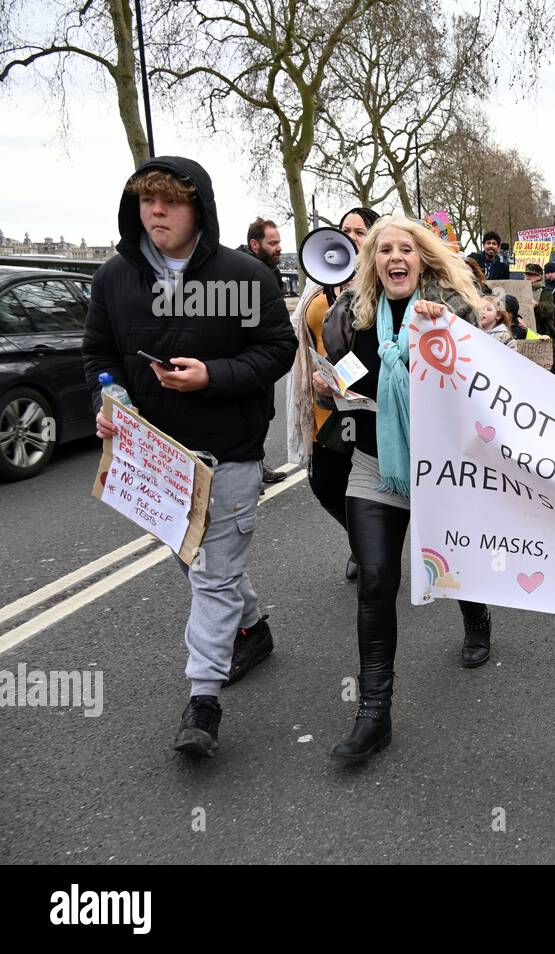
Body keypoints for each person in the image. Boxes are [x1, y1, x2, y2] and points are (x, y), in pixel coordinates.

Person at [83, 157, 296, 757]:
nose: (157, 212)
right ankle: (252, 628)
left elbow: (278, 351)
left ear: (197, 206)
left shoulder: (246, 275)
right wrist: (112, 393)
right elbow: (98, 352)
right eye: (147, 201)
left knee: (211, 571)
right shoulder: (113, 278)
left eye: (170, 202)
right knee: (197, 560)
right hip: (152, 457)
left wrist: (214, 376)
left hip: (227, 450)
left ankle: (203, 700)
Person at [314, 214, 497, 761]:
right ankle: (374, 714)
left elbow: (486, 377)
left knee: (454, 560)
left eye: (406, 249)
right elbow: (341, 384)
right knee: (375, 581)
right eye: (384, 248)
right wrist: (327, 387)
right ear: (373, 260)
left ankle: (475, 615)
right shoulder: (349, 316)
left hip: (444, 464)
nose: (396, 257)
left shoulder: (451, 310)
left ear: (422, 260)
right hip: (377, 463)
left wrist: (454, 334)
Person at [288, 206, 379, 584]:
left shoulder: (380, 283)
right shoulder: (319, 284)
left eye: (360, 231)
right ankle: (362, 542)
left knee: (368, 484)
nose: (351, 237)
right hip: (325, 399)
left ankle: (374, 547)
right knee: (325, 484)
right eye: (345, 230)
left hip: (367, 400)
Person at [237, 216, 290, 485]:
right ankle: (248, 473)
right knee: (248, 416)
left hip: (263, 354)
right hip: (246, 356)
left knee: (263, 414)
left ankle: (255, 466)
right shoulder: (240, 271)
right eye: (273, 243)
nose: (279, 247)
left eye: (279, 242)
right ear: (255, 244)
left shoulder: (269, 268)